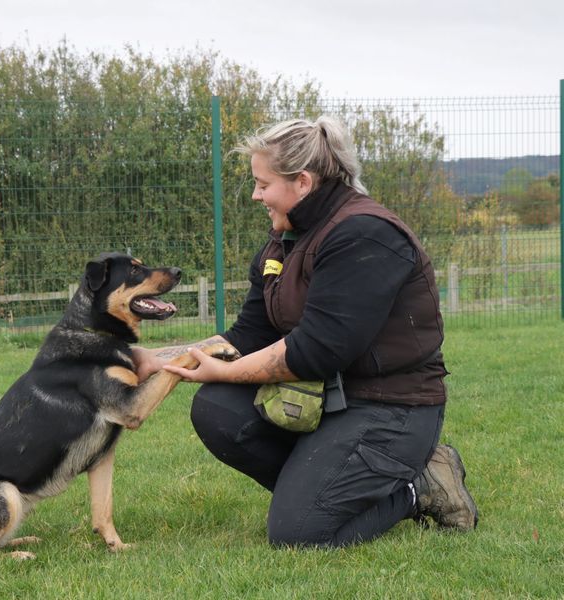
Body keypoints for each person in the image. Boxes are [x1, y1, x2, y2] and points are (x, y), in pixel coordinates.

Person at [132, 116, 478, 548]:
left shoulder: (364, 235)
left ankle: (418, 487)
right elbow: (249, 334)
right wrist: (160, 359)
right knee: (218, 409)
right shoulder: (285, 238)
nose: (256, 195)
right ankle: (320, 489)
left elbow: (315, 351)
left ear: (302, 182)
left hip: (391, 407)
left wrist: (224, 372)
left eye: (262, 183)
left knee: (299, 535)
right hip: (326, 399)